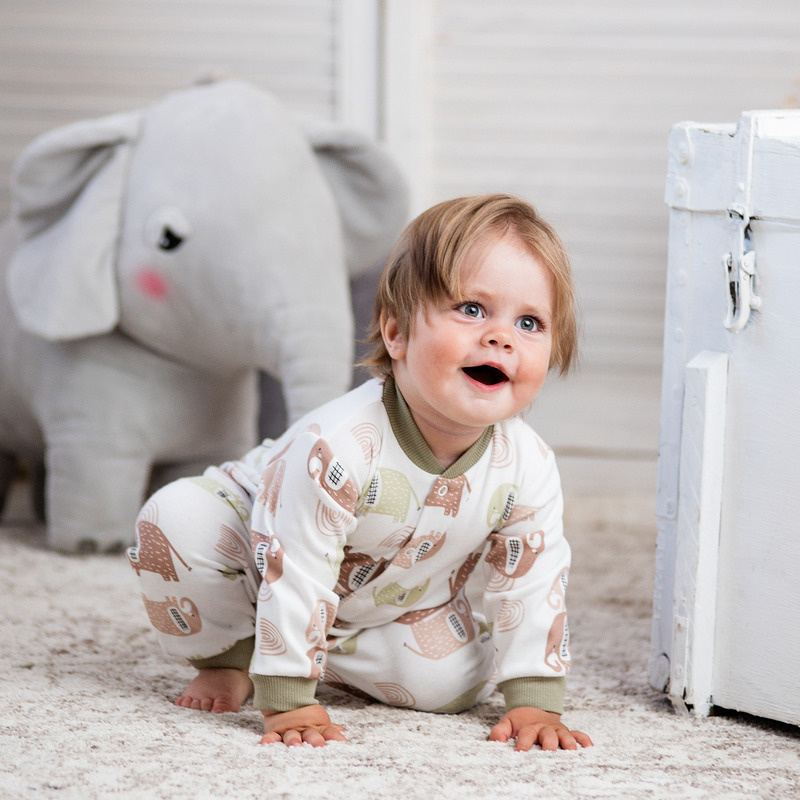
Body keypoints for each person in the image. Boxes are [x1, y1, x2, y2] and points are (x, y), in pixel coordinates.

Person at [128, 193, 593, 752]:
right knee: (176, 521)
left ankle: (320, 652)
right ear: (395, 334)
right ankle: (235, 656)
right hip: (258, 555)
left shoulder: (529, 465)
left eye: (530, 322)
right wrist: (289, 697)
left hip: (384, 602)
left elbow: (533, 576)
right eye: (471, 309)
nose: (502, 337)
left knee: (452, 683)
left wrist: (533, 701)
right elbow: (293, 561)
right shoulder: (341, 444)